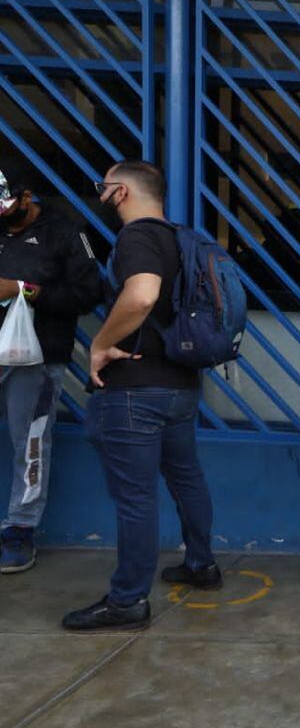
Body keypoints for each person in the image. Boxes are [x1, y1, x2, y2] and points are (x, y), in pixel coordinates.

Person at [62, 160, 219, 632]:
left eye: (103, 189)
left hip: (134, 391)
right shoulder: (180, 237)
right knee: (186, 478)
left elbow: (142, 295)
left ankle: (128, 600)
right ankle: (201, 564)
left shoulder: (137, 238)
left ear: (121, 192)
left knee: (135, 499)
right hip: (179, 386)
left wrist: (100, 344)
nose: (101, 197)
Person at [0, 166, 103, 573]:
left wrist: (23, 290)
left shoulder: (64, 232)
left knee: (31, 444)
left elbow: (89, 294)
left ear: (25, 198)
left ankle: (19, 530)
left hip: (37, 357)